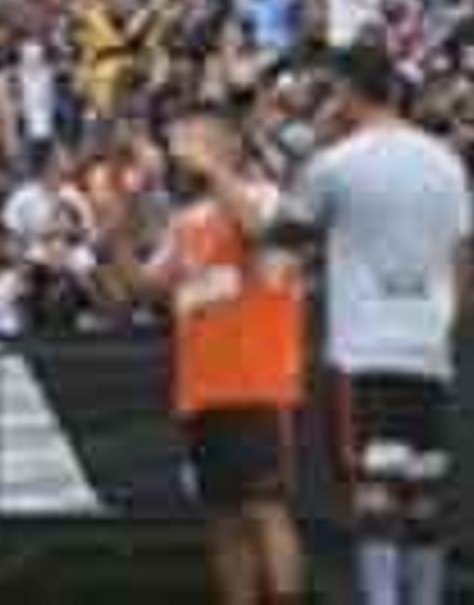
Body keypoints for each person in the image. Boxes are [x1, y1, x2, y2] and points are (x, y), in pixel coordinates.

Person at [278, 49, 474, 605]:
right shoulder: (445, 162)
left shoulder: (337, 164)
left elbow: (283, 237)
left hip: (365, 350)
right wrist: (439, 330)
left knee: (373, 490)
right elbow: (464, 266)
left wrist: (314, 145)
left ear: (346, 92)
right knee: (424, 492)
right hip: (428, 350)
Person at [151, 107, 306, 605]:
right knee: (222, 521)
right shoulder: (183, 222)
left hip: (256, 381)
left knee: (266, 509)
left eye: (199, 137)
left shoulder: (262, 195)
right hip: (201, 390)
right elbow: (137, 288)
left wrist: (215, 170)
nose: (186, 148)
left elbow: (262, 233)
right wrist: (118, 224)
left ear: (229, 145)